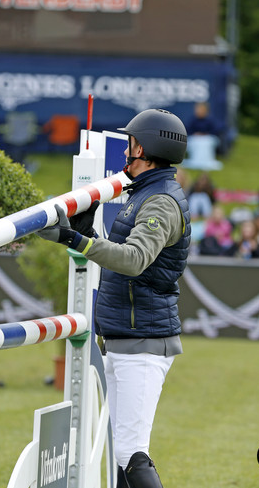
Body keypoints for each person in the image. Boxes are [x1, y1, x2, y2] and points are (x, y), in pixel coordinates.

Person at [36, 108, 191, 488]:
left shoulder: (161, 203)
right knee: (123, 453)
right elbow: (119, 247)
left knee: (130, 453)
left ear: (148, 147)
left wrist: (76, 239)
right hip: (126, 338)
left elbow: (134, 260)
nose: (126, 152)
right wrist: (87, 228)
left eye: (131, 144)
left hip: (144, 342)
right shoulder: (146, 193)